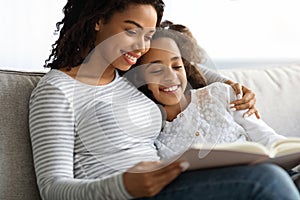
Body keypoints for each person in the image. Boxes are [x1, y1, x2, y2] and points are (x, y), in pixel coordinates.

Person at [28, 0, 300, 199]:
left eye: (148, 35)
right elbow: (53, 188)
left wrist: (232, 86)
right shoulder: (56, 91)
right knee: (265, 182)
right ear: (98, 20)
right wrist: (122, 185)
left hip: (171, 181)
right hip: (129, 193)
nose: (141, 47)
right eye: (132, 31)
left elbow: (182, 65)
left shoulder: (125, 75)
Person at [127, 22, 300, 191]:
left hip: (280, 178)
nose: (170, 77)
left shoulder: (221, 94)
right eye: (156, 70)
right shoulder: (147, 127)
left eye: (177, 66)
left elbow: (269, 140)